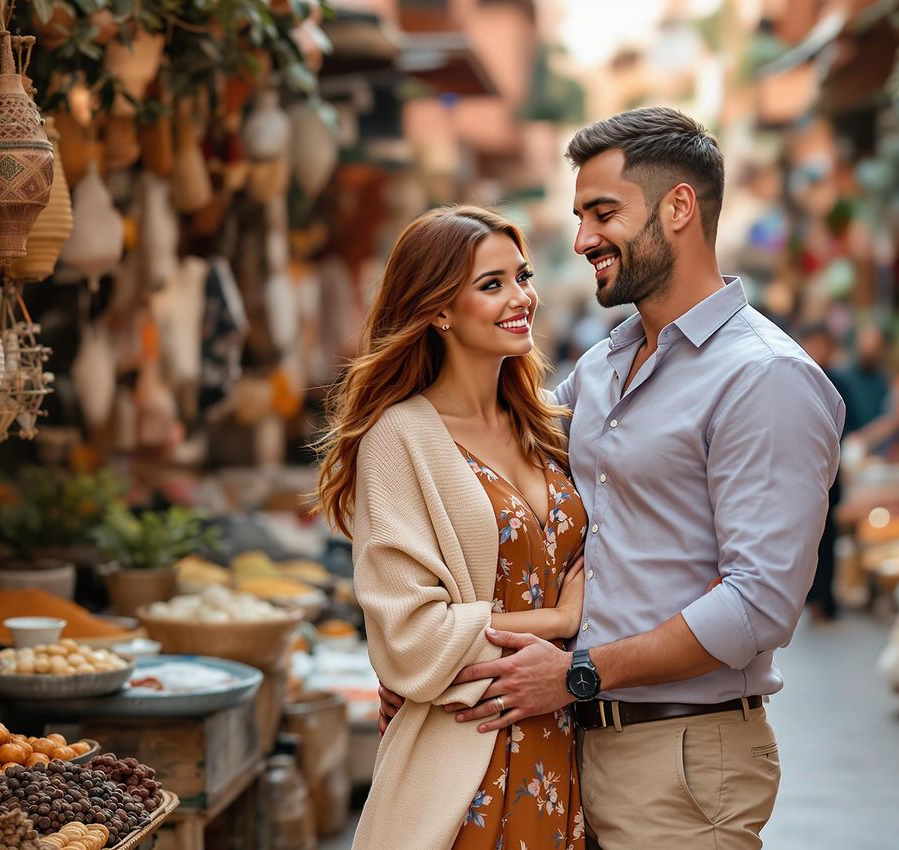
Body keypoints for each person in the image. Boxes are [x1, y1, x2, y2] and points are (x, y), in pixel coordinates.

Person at [382, 108, 846, 849]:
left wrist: (579, 672)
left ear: (679, 208)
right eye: (578, 215)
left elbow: (758, 605)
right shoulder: (603, 366)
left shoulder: (765, 377)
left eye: (603, 213)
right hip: (567, 751)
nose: (582, 239)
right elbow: (500, 479)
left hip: (683, 757)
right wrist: (432, 663)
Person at [317, 206, 588, 850]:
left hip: (566, 755)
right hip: (464, 766)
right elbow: (411, 638)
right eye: (491, 285)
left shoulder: (546, 428)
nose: (522, 298)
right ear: (440, 309)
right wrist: (558, 622)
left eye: (521, 277)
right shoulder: (399, 437)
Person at [797, 323, 850, 621]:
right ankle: (808, 596)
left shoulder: (837, 380)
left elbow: (846, 426)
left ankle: (825, 600)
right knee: (806, 535)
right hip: (802, 471)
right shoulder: (796, 374)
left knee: (827, 538)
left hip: (830, 472)